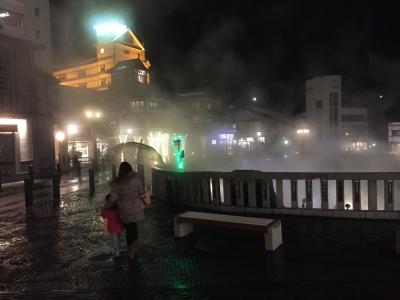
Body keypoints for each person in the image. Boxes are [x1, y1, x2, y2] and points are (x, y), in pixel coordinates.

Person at [106, 162, 146, 260]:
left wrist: (107, 206)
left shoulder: (117, 182)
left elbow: (113, 197)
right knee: (134, 228)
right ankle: (134, 248)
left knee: (129, 230)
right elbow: (141, 192)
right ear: (130, 169)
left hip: (124, 210)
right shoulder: (135, 179)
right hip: (135, 208)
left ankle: (130, 251)